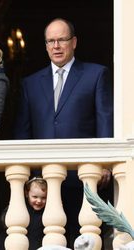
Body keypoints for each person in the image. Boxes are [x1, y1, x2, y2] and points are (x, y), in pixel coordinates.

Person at [13, 17, 113, 246]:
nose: (56, 46)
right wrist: (25, 178)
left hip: (83, 179)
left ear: (74, 42)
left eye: (62, 40)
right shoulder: (30, 83)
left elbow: (104, 119)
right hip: (43, 183)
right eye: (51, 41)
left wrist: (106, 162)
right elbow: (22, 132)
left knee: (84, 240)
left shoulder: (96, 74)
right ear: (46, 45)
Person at [0, 177, 47, 250]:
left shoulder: (46, 213)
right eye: (35, 197)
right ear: (26, 194)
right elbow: (4, 221)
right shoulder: (20, 207)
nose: (39, 201)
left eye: (43, 198)